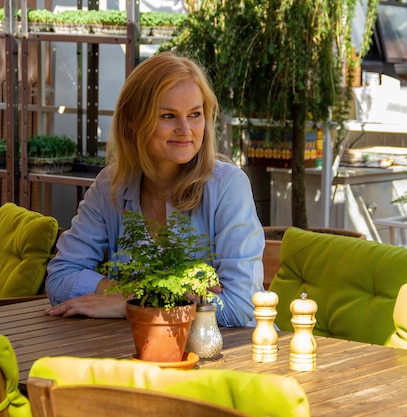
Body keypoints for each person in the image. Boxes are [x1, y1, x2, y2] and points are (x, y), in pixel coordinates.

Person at [45, 51, 265, 327]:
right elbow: (60, 276)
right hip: (138, 352)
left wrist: (134, 305)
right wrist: (138, 298)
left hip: (233, 355)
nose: (186, 129)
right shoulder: (110, 188)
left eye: (195, 114)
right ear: (133, 121)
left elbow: (240, 306)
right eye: (168, 116)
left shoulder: (227, 187)